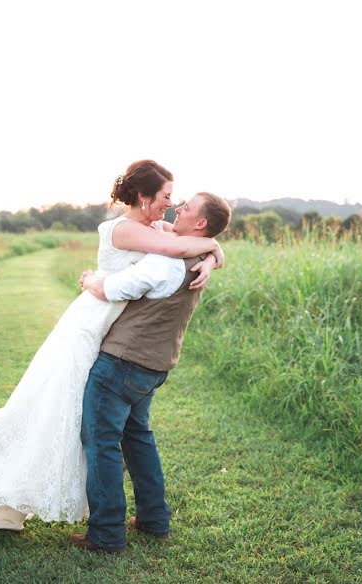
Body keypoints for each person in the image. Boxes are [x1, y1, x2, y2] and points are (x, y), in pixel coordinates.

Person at [0, 160, 224, 531]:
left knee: (91, 424)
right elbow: (179, 247)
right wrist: (211, 247)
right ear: (144, 197)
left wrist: (213, 255)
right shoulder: (126, 230)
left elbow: (184, 243)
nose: (171, 204)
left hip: (114, 330)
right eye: (165, 197)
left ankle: (115, 522)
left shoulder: (157, 228)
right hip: (92, 324)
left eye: (176, 201)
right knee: (56, 411)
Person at [68, 192, 231, 553]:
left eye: (188, 208)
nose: (178, 207)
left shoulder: (165, 261)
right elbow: (208, 245)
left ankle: (107, 534)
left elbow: (113, 288)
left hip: (122, 363)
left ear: (200, 223)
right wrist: (215, 253)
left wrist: (90, 280)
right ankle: (154, 520)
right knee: (137, 436)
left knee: (101, 440)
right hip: (156, 365)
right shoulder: (198, 253)